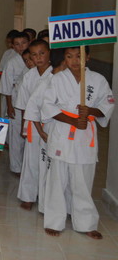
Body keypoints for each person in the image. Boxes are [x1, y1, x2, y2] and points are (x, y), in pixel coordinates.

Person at [42, 46, 114, 239]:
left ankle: (86, 222)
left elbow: (107, 104)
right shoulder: (57, 79)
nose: (74, 60)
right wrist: (72, 120)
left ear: (88, 57)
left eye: (79, 56)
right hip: (63, 132)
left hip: (85, 136)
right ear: (64, 59)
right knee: (57, 180)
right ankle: (54, 221)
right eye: (69, 56)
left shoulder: (98, 80)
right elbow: (47, 106)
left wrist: (91, 111)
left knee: (83, 181)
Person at [14, 40, 52, 211]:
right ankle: (28, 196)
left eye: (42, 53)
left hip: (51, 122)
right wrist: (24, 126)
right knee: (31, 160)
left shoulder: (57, 74)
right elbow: (23, 104)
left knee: (49, 161)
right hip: (32, 123)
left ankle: (46, 198)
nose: (38, 58)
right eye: (34, 55)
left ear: (49, 53)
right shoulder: (29, 76)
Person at [0, 31, 30, 174]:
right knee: (16, 136)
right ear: (12, 46)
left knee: (28, 136)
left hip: (31, 104)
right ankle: (16, 167)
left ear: (29, 43)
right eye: (17, 44)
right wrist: (9, 106)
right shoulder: (12, 62)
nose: (21, 47)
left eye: (23, 43)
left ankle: (26, 165)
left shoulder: (34, 60)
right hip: (16, 103)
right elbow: (6, 86)